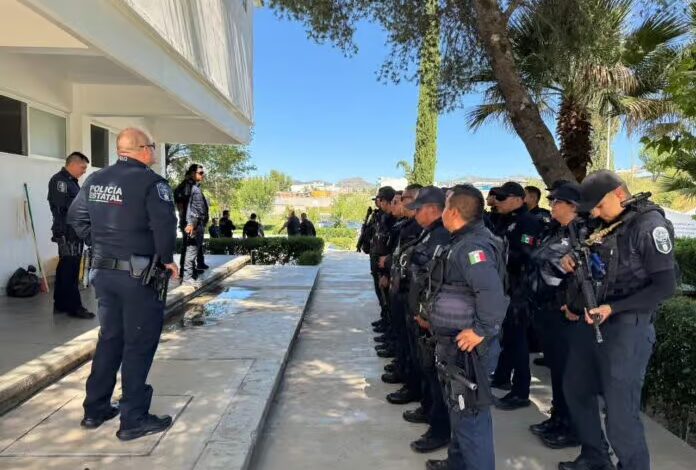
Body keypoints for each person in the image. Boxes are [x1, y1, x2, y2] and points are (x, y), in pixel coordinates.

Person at [558, 170, 677, 470]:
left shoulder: (649, 225)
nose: (596, 214)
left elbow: (665, 286)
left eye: (599, 206)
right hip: (593, 321)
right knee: (576, 389)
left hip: (627, 328)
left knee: (620, 414)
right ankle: (595, 457)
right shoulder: (607, 223)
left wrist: (614, 308)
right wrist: (572, 262)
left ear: (620, 194)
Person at [67, 128, 178, 441]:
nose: (154, 151)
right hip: (138, 277)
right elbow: (165, 225)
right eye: (152, 146)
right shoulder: (152, 183)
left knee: (110, 338)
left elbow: (76, 219)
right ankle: (133, 418)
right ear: (142, 149)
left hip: (103, 273)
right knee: (138, 343)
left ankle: (95, 409)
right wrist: (167, 259)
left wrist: (101, 244)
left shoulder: (95, 180)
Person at [424, 184, 508, 470]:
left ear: (454, 212)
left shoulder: (473, 247)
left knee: (471, 417)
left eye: (445, 206)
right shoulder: (462, 241)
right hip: (455, 347)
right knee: (459, 412)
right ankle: (457, 463)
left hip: (469, 350)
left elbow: (491, 293)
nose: (442, 212)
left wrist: (481, 331)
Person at [393, 186, 452, 454]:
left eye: (418, 209)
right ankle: (429, 410)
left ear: (432, 209)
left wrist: (427, 314)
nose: (414, 214)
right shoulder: (429, 233)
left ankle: (439, 430)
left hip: (432, 320)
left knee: (437, 378)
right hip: (419, 314)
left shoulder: (442, 236)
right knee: (426, 369)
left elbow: (437, 281)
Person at [527, 182, 583, 449]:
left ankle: (571, 427)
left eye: (557, 202)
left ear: (573, 206)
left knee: (568, 374)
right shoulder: (555, 230)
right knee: (557, 371)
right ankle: (558, 418)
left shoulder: (582, 234)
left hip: (565, 313)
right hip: (546, 309)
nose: (552, 206)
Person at [491, 181, 544, 410]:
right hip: (506, 287)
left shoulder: (527, 222)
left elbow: (527, 254)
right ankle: (502, 376)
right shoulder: (504, 220)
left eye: (503, 198)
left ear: (517, 199)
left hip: (520, 289)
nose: (498, 202)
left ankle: (521, 391)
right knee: (508, 337)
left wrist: (500, 257)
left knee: (517, 339)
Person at [47, 152, 95, 319]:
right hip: (67, 232)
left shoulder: (72, 182)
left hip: (75, 231)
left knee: (65, 267)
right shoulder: (60, 181)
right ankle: (75, 307)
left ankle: (60, 304)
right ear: (73, 164)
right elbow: (63, 208)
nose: (84, 171)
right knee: (71, 269)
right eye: (82, 167)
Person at [182, 165, 209, 286]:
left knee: (193, 250)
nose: (203, 175)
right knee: (191, 250)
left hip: (196, 223)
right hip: (195, 224)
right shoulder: (193, 189)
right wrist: (192, 224)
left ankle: (190, 275)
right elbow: (196, 209)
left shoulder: (194, 188)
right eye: (200, 173)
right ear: (193, 173)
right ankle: (187, 277)